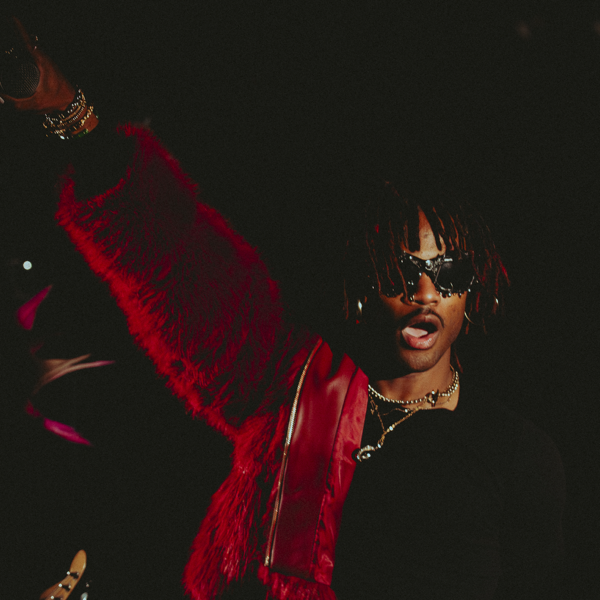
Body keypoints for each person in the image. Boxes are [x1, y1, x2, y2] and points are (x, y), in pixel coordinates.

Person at [1, 17, 565, 600]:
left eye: (448, 274)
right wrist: (69, 112)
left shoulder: (516, 457)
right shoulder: (298, 385)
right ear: (368, 282)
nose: (425, 293)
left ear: (474, 289)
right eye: (401, 271)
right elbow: (173, 260)